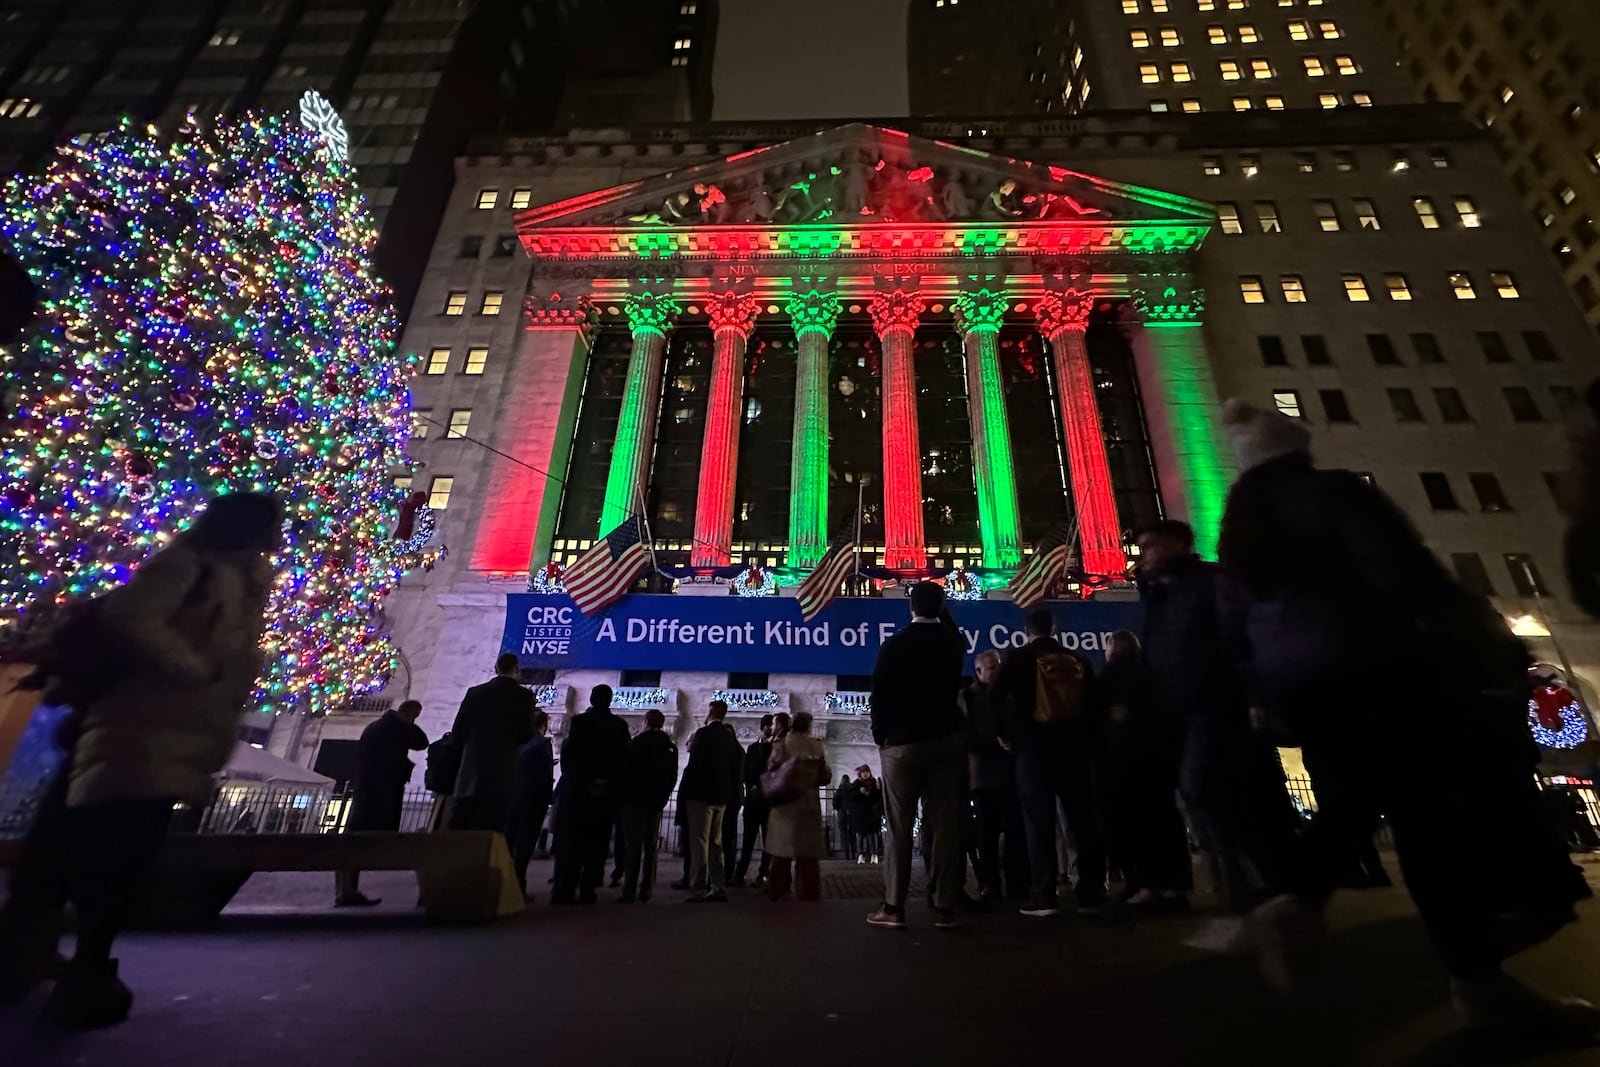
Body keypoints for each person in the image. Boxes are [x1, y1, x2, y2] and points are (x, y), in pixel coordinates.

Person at [1215, 398, 1595, 1036]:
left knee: (1357, 801)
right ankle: (1478, 977)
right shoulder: (1331, 493)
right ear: (1298, 451)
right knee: (1432, 820)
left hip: (1306, 691)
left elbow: (1236, 630)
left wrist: (1265, 697)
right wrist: (1485, 640)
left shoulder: (1237, 534)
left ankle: (1296, 902)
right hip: (1383, 671)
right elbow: (1407, 572)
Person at [0, 492, 280, 1029]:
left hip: (174, 732)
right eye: (272, 526)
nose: (278, 538)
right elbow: (131, 616)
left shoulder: (246, 582)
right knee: (95, 846)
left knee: (112, 850)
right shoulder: (188, 564)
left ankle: (61, 957)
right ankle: (67, 962)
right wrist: (188, 667)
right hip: (133, 725)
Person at [1137, 518, 1297, 912]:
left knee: (1206, 789)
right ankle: (1242, 885)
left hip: (1216, 703)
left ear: (1177, 544)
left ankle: (1261, 882)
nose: (1144, 556)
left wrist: (1257, 697)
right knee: (1210, 793)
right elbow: (1159, 651)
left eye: (1150, 546)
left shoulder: (1210, 581)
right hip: (1180, 708)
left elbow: (1242, 636)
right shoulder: (1160, 593)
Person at [991, 608, 1107, 918]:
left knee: (1038, 824)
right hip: (1075, 752)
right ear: (1054, 628)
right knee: (1082, 822)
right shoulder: (1078, 660)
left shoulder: (1016, 659)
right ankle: (1090, 893)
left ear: (1026, 630)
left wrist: (1005, 734)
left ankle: (1043, 895)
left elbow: (994, 698)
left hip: (1032, 750)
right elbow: (1096, 708)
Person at [866, 581, 966, 930]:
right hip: (946, 740)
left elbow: (879, 696)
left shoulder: (895, 645)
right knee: (944, 827)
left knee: (898, 828)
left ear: (910, 607)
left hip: (903, 745)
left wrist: (883, 737)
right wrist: (940, 608)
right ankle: (944, 908)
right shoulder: (953, 644)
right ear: (941, 609)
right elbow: (950, 630)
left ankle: (894, 907)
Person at [1098, 631, 1191, 910]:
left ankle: (1145, 885)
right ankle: (1176, 886)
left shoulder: (1110, 678)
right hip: (1160, 764)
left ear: (1112, 648)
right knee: (1167, 823)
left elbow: (1098, 719)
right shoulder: (1157, 675)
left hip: (1124, 765)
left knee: (1133, 826)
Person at [335, 699, 428, 907]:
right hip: (384, 794)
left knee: (355, 840)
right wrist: (408, 722)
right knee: (371, 842)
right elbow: (422, 742)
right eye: (416, 715)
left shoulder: (374, 727)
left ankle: (346, 890)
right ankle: (348, 892)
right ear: (410, 713)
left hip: (366, 791)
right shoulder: (397, 728)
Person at [551, 685, 631, 905]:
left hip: (578, 793)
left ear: (593, 699)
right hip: (605, 796)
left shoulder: (579, 723)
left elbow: (570, 755)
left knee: (571, 844)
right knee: (597, 845)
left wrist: (584, 781)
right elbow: (624, 762)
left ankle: (565, 889)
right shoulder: (619, 726)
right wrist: (605, 783)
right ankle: (588, 890)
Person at [447, 653, 535, 833]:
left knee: (458, 827)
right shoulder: (524, 696)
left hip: (471, 770)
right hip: (502, 774)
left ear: (496, 668)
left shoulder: (475, 692)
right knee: (491, 830)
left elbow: (458, 731)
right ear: (517, 670)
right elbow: (526, 734)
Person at [965, 650, 1021, 903]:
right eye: (991, 667)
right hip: (986, 776)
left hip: (1011, 773)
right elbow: (967, 736)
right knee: (986, 835)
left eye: (998, 666)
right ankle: (990, 885)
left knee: (1015, 832)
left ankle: (1017, 883)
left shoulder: (1011, 694)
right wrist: (996, 741)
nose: (997, 671)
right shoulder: (969, 697)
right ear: (978, 671)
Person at [679, 699, 743, 903]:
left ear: (711, 712)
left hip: (700, 796)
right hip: (721, 797)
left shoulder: (703, 734)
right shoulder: (729, 737)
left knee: (699, 843)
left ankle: (698, 888)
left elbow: (695, 766)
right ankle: (717, 886)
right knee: (716, 843)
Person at [764, 711, 830, 901]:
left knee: (780, 853)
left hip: (784, 805)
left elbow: (771, 769)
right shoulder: (817, 746)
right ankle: (808, 893)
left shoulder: (782, 744)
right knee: (807, 856)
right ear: (809, 725)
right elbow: (825, 776)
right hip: (808, 804)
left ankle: (778, 890)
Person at [618, 709, 678, 903]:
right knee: (650, 845)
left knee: (633, 845)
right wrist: (664, 797)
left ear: (645, 722)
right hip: (656, 802)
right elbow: (672, 777)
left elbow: (626, 772)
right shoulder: (670, 747)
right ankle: (646, 888)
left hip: (635, 801)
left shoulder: (636, 743)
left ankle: (629, 889)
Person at [506, 709, 554, 900]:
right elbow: (545, 774)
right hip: (533, 799)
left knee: (509, 842)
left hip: (512, 796)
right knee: (525, 845)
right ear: (544, 724)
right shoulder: (542, 744)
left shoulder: (515, 740)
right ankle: (518, 886)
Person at [734, 713, 776, 887]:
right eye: (767, 725)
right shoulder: (751, 748)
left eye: (771, 725)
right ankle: (740, 874)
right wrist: (750, 785)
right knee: (748, 840)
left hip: (768, 800)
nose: (769, 728)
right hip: (752, 800)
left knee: (768, 841)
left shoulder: (775, 748)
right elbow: (746, 770)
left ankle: (763, 874)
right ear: (762, 727)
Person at [848, 765, 883, 863]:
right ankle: (861, 855)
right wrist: (859, 792)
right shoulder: (857, 784)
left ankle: (874, 855)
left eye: (867, 771)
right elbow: (851, 796)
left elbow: (878, 797)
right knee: (860, 836)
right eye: (863, 772)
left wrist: (878, 789)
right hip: (860, 815)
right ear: (860, 773)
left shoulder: (873, 782)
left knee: (872, 836)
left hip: (872, 814)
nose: (865, 774)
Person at [833, 774, 855, 859]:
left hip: (842, 813)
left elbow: (835, 802)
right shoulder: (852, 788)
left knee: (844, 834)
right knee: (852, 834)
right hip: (851, 813)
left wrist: (838, 808)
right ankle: (853, 853)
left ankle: (846, 854)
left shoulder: (840, 789)